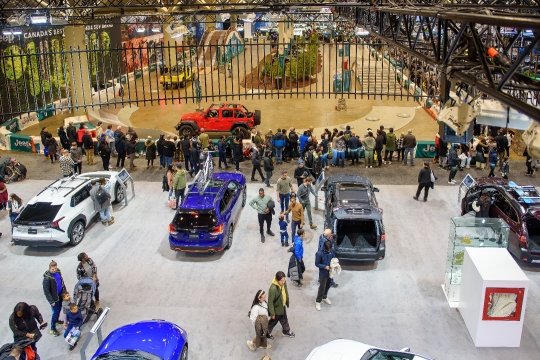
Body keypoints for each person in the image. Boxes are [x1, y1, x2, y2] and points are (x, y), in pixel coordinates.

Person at [267, 271, 295, 338]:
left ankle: (286, 331)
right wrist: (272, 314)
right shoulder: (273, 289)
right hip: (276, 310)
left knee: (284, 319)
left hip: (282, 306)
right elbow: (270, 302)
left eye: (284, 280)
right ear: (277, 280)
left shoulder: (283, 283)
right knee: (273, 322)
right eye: (281, 281)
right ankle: (266, 333)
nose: (283, 282)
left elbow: (285, 291)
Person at [42, 260, 67, 337]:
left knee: (59, 309)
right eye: (52, 269)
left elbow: (62, 283)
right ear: (49, 268)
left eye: (55, 268)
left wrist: (64, 291)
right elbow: (46, 291)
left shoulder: (58, 272)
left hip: (60, 295)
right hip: (54, 299)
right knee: (55, 312)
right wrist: (51, 301)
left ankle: (56, 321)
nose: (54, 270)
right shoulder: (47, 278)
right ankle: (52, 329)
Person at [315, 240, 334, 311]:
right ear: (325, 248)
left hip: (330, 272)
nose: (329, 251)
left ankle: (324, 297)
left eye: (330, 249)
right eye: (328, 250)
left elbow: (333, 258)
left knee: (328, 285)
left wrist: (335, 264)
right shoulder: (319, 253)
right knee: (322, 287)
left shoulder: (332, 251)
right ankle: (317, 301)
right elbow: (317, 264)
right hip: (323, 273)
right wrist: (324, 267)